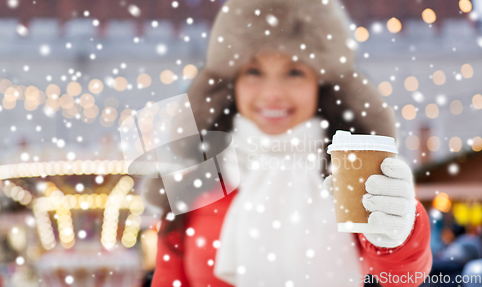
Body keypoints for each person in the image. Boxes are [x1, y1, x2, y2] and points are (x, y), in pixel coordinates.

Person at [148, 0, 432, 286]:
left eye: (294, 72)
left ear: (320, 86)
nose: (272, 93)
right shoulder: (194, 186)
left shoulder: (353, 175)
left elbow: (403, 276)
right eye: (253, 72)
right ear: (231, 84)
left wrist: (399, 230)